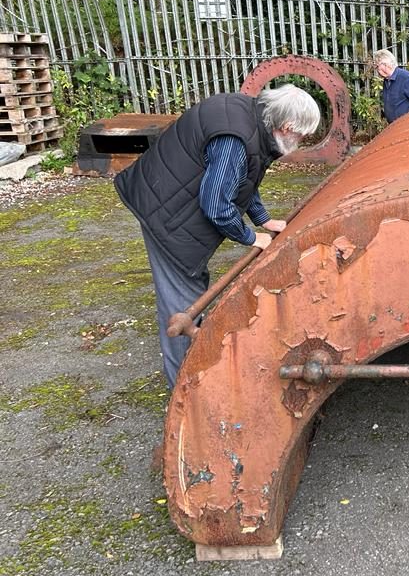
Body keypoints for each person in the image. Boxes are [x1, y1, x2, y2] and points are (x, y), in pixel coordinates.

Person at [114, 85, 321, 389]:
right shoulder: (234, 139)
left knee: (191, 288)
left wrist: (264, 219)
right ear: (288, 126)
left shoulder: (251, 116)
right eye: (302, 136)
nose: (301, 142)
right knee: (182, 304)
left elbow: (243, 177)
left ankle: (193, 371)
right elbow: (215, 204)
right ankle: (185, 391)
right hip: (165, 215)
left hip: (166, 195)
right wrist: (252, 237)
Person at [374, 49, 409, 123]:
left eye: (377, 67)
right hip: (395, 126)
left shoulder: (405, 78)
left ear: (385, 65)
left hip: (407, 127)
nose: (377, 70)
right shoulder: (387, 80)